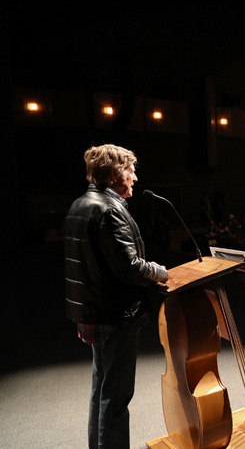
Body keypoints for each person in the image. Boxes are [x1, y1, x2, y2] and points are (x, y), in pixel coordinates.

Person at [64, 144, 170, 449]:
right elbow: (131, 268)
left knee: (101, 390)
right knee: (116, 397)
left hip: (94, 312)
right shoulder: (109, 210)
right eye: (131, 170)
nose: (135, 177)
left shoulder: (80, 204)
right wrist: (159, 271)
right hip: (115, 314)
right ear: (114, 174)